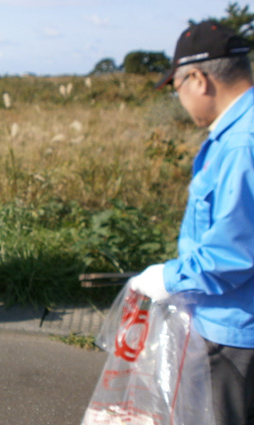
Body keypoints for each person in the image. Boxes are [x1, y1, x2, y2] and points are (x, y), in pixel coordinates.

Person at [128, 21, 254, 425]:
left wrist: (169, 278)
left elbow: (234, 252)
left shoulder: (241, 144)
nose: (179, 99)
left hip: (234, 331)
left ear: (198, 79)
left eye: (177, 87)